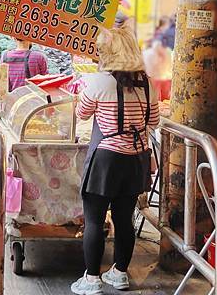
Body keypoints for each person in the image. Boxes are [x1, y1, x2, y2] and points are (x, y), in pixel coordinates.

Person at [71, 25, 160, 295]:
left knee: (95, 220)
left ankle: (92, 279)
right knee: (124, 219)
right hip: (136, 159)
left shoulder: (99, 82)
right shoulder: (147, 83)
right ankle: (120, 274)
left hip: (106, 160)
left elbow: (81, 114)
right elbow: (153, 121)